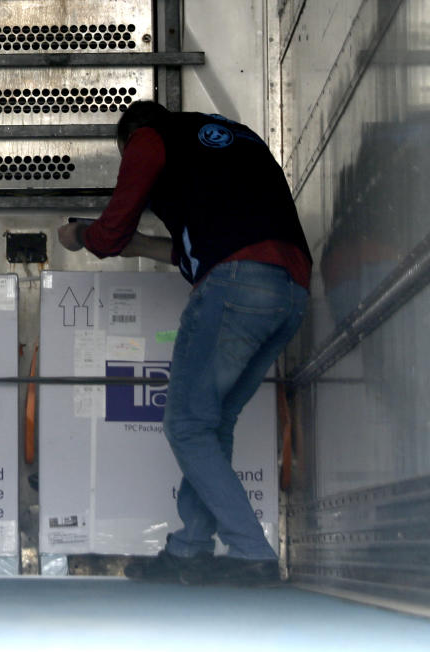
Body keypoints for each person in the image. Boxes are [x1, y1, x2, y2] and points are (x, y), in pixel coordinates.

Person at [58, 101, 311, 586]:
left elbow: (110, 233)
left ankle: (250, 552)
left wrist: (81, 234)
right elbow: (194, 247)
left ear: (129, 138)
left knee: (187, 425)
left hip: (236, 282)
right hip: (290, 290)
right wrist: (132, 243)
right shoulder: (236, 137)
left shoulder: (149, 138)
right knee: (213, 425)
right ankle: (190, 549)